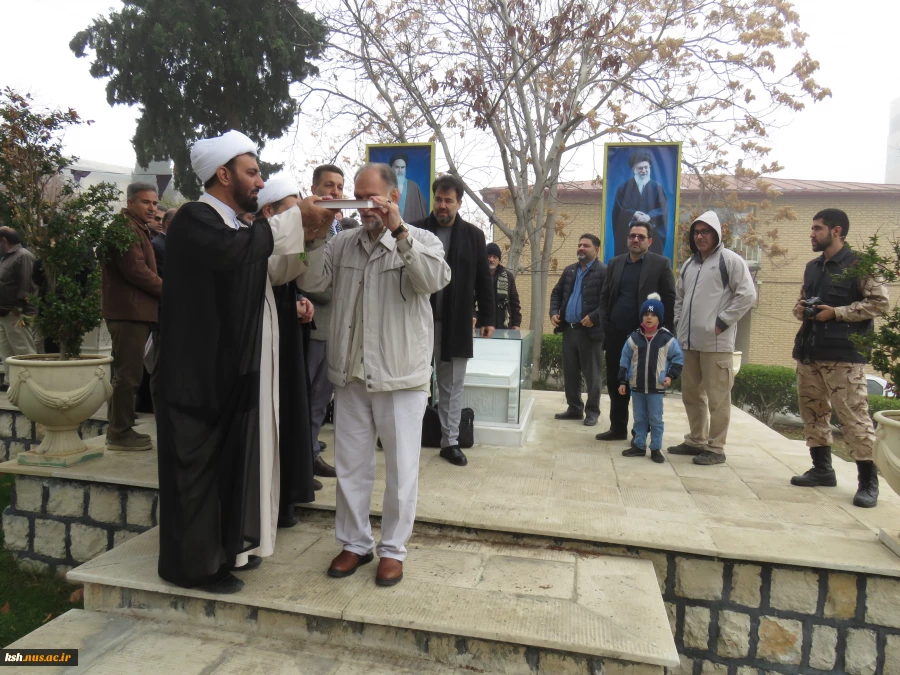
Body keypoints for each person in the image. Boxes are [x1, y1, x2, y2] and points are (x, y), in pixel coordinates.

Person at [156, 130, 333, 594]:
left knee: (227, 470)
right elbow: (239, 251)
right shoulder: (195, 219)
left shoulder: (234, 226)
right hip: (195, 378)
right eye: (251, 172)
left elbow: (272, 268)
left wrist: (313, 233)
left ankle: (226, 551)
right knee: (197, 476)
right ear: (222, 173)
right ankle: (191, 568)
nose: (259, 182)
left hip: (226, 374)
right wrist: (295, 218)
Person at [297, 162, 451, 587]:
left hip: (401, 376)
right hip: (350, 373)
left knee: (402, 468)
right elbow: (313, 284)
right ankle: (355, 544)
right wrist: (314, 232)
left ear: (392, 197)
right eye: (355, 197)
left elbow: (433, 280)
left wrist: (399, 232)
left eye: (370, 197)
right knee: (350, 466)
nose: (363, 207)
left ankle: (393, 550)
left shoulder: (421, 239)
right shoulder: (341, 242)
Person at [790, 208, 888, 508]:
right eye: (812, 228)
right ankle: (822, 469)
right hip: (810, 352)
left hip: (844, 356)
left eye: (817, 229)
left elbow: (879, 303)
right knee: (813, 414)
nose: (812, 233)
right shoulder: (812, 267)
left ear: (836, 231)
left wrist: (837, 312)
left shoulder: (860, 265)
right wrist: (802, 308)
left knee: (854, 419)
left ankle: (868, 483)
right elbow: (802, 301)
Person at [412, 174, 494, 466]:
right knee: (411, 382)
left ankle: (450, 442)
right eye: (438, 199)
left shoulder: (473, 236)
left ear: (459, 203)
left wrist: (487, 317)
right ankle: (405, 436)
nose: (442, 205)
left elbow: (484, 279)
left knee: (452, 385)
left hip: (456, 323)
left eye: (448, 200)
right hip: (416, 323)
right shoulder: (416, 230)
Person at [255, 177, 319, 527]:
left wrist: (299, 301)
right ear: (270, 212)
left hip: (287, 342)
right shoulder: (248, 240)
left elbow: (287, 276)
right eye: (291, 212)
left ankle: (287, 500)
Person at [669, 211, 756, 465]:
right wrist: (678, 324)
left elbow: (747, 296)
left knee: (718, 399)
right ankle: (696, 440)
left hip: (716, 345)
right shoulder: (689, 264)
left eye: (705, 231)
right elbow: (679, 298)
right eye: (696, 232)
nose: (700, 236)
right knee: (691, 395)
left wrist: (722, 322)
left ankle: (716, 448)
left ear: (716, 233)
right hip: (689, 343)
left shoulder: (730, 260)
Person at [595, 220, 676, 441]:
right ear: (627, 239)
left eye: (641, 236)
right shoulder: (614, 263)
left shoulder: (660, 264)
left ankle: (641, 434)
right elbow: (604, 297)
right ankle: (618, 429)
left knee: (644, 387)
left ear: (649, 241)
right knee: (616, 381)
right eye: (632, 236)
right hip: (616, 335)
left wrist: (664, 335)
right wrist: (606, 323)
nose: (636, 240)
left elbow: (669, 299)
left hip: (646, 339)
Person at [101, 182, 162, 451]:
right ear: (130, 203)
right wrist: (169, 290)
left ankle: (119, 427)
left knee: (126, 372)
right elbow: (136, 271)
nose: (152, 208)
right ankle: (120, 433)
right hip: (128, 312)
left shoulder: (137, 228)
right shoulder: (124, 229)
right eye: (145, 202)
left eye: (155, 203)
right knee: (129, 374)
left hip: (133, 311)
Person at [302, 165, 344, 481]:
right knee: (304, 397)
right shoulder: (304, 225)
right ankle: (298, 460)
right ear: (315, 189)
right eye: (328, 186)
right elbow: (308, 279)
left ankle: (311, 454)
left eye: (340, 187)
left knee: (320, 399)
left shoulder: (342, 230)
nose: (335, 192)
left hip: (336, 330)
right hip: (310, 326)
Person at [549, 234, 607, 426]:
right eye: (580, 245)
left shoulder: (603, 272)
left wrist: (594, 317)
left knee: (592, 375)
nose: (581, 248)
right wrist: (553, 312)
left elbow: (608, 302)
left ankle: (592, 412)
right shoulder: (570, 270)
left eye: (586, 246)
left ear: (596, 250)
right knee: (571, 373)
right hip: (569, 331)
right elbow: (556, 293)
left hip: (590, 333)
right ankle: (574, 408)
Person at [618, 294, 683, 463]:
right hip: (637, 386)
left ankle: (655, 448)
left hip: (656, 388)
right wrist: (623, 381)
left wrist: (670, 376)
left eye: (653, 315)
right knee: (639, 417)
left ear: (659, 318)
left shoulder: (666, 339)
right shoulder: (633, 338)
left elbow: (678, 359)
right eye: (646, 314)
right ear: (642, 317)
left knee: (655, 419)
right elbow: (624, 360)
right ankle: (639, 445)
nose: (649, 317)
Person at [611, 151, 668, 257]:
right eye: (640, 168)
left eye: (646, 167)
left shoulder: (657, 188)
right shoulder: (623, 188)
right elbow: (619, 210)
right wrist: (633, 214)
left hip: (652, 236)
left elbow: (662, 209)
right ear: (634, 170)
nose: (644, 171)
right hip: (629, 238)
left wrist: (649, 216)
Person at [0, 228, 37, 385]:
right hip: (4, 313)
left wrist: (19, 308)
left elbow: (27, 284)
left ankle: (33, 385)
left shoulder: (24, 256)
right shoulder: (6, 258)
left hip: (16, 314)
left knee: (24, 351)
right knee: (7, 354)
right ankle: (14, 387)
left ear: (4, 240)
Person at [477, 242, 521, 330]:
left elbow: (514, 302)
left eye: (495, 257)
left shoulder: (508, 277)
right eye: (489, 256)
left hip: (502, 326)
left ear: (499, 259)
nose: (491, 259)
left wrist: (516, 324)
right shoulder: (476, 275)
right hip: (480, 326)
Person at [389, 152, 428, 223]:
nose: (400, 171)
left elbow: (421, 213)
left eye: (402, 167)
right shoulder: (385, 186)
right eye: (397, 167)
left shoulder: (413, 187)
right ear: (391, 168)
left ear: (405, 169)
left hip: (410, 230)